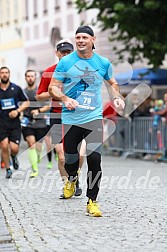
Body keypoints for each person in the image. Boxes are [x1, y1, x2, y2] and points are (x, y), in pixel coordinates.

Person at [48, 26, 125, 217]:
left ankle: (92, 201)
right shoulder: (66, 62)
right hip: (71, 118)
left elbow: (112, 83)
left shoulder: (103, 62)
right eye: (78, 37)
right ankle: (72, 179)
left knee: (94, 159)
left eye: (85, 37)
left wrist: (116, 96)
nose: (81, 40)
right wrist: (65, 99)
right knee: (70, 160)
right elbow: (53, 88)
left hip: (93, 117)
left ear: (93, 39)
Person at [36, 39, 85, 198]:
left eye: (68, 52)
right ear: (57, 54)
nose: (65, 55)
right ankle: (67, 185)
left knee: (79, 154)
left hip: (76, 115)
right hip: (57, 115)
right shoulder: (49, 72)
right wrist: (54, 91)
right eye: (62, 52)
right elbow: (39, 97)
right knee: (62, 155)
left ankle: (74, 178)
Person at [0, 66, 29, 178]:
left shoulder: (16, 88)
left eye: (6, 73)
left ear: (9, 74)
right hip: (2, 123)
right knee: (3, 145)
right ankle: (8, 169)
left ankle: (14, 156)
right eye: (2, 73)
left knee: (14, 148)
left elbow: (26, 103)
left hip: (14, 123)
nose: (4, 75)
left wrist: (17, 111)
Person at [21, 70, 50, 177]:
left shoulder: (41, 91)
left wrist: (39, 111)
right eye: (28, 76)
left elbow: (48, 105)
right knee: (31, 144)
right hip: (27, 122)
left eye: (32, 76)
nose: (30, 78)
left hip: (40, 122)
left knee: (38, 146)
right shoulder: (22, 92)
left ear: (35, 78)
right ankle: (34, 170)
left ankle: (37, 156)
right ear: (25, 78)